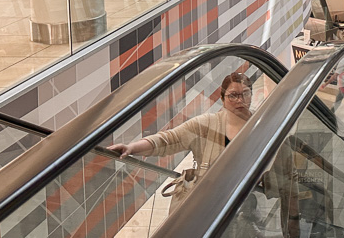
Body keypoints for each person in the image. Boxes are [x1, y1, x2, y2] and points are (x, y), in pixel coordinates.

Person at [108, 72, 254, 209]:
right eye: (233, 96)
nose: (240, 100)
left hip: (245, 201)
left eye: (245, 94)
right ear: (222, 99)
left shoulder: (261, 123)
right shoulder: (206, 124)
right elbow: (169, 139)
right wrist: (132, 148)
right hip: (210, 202)